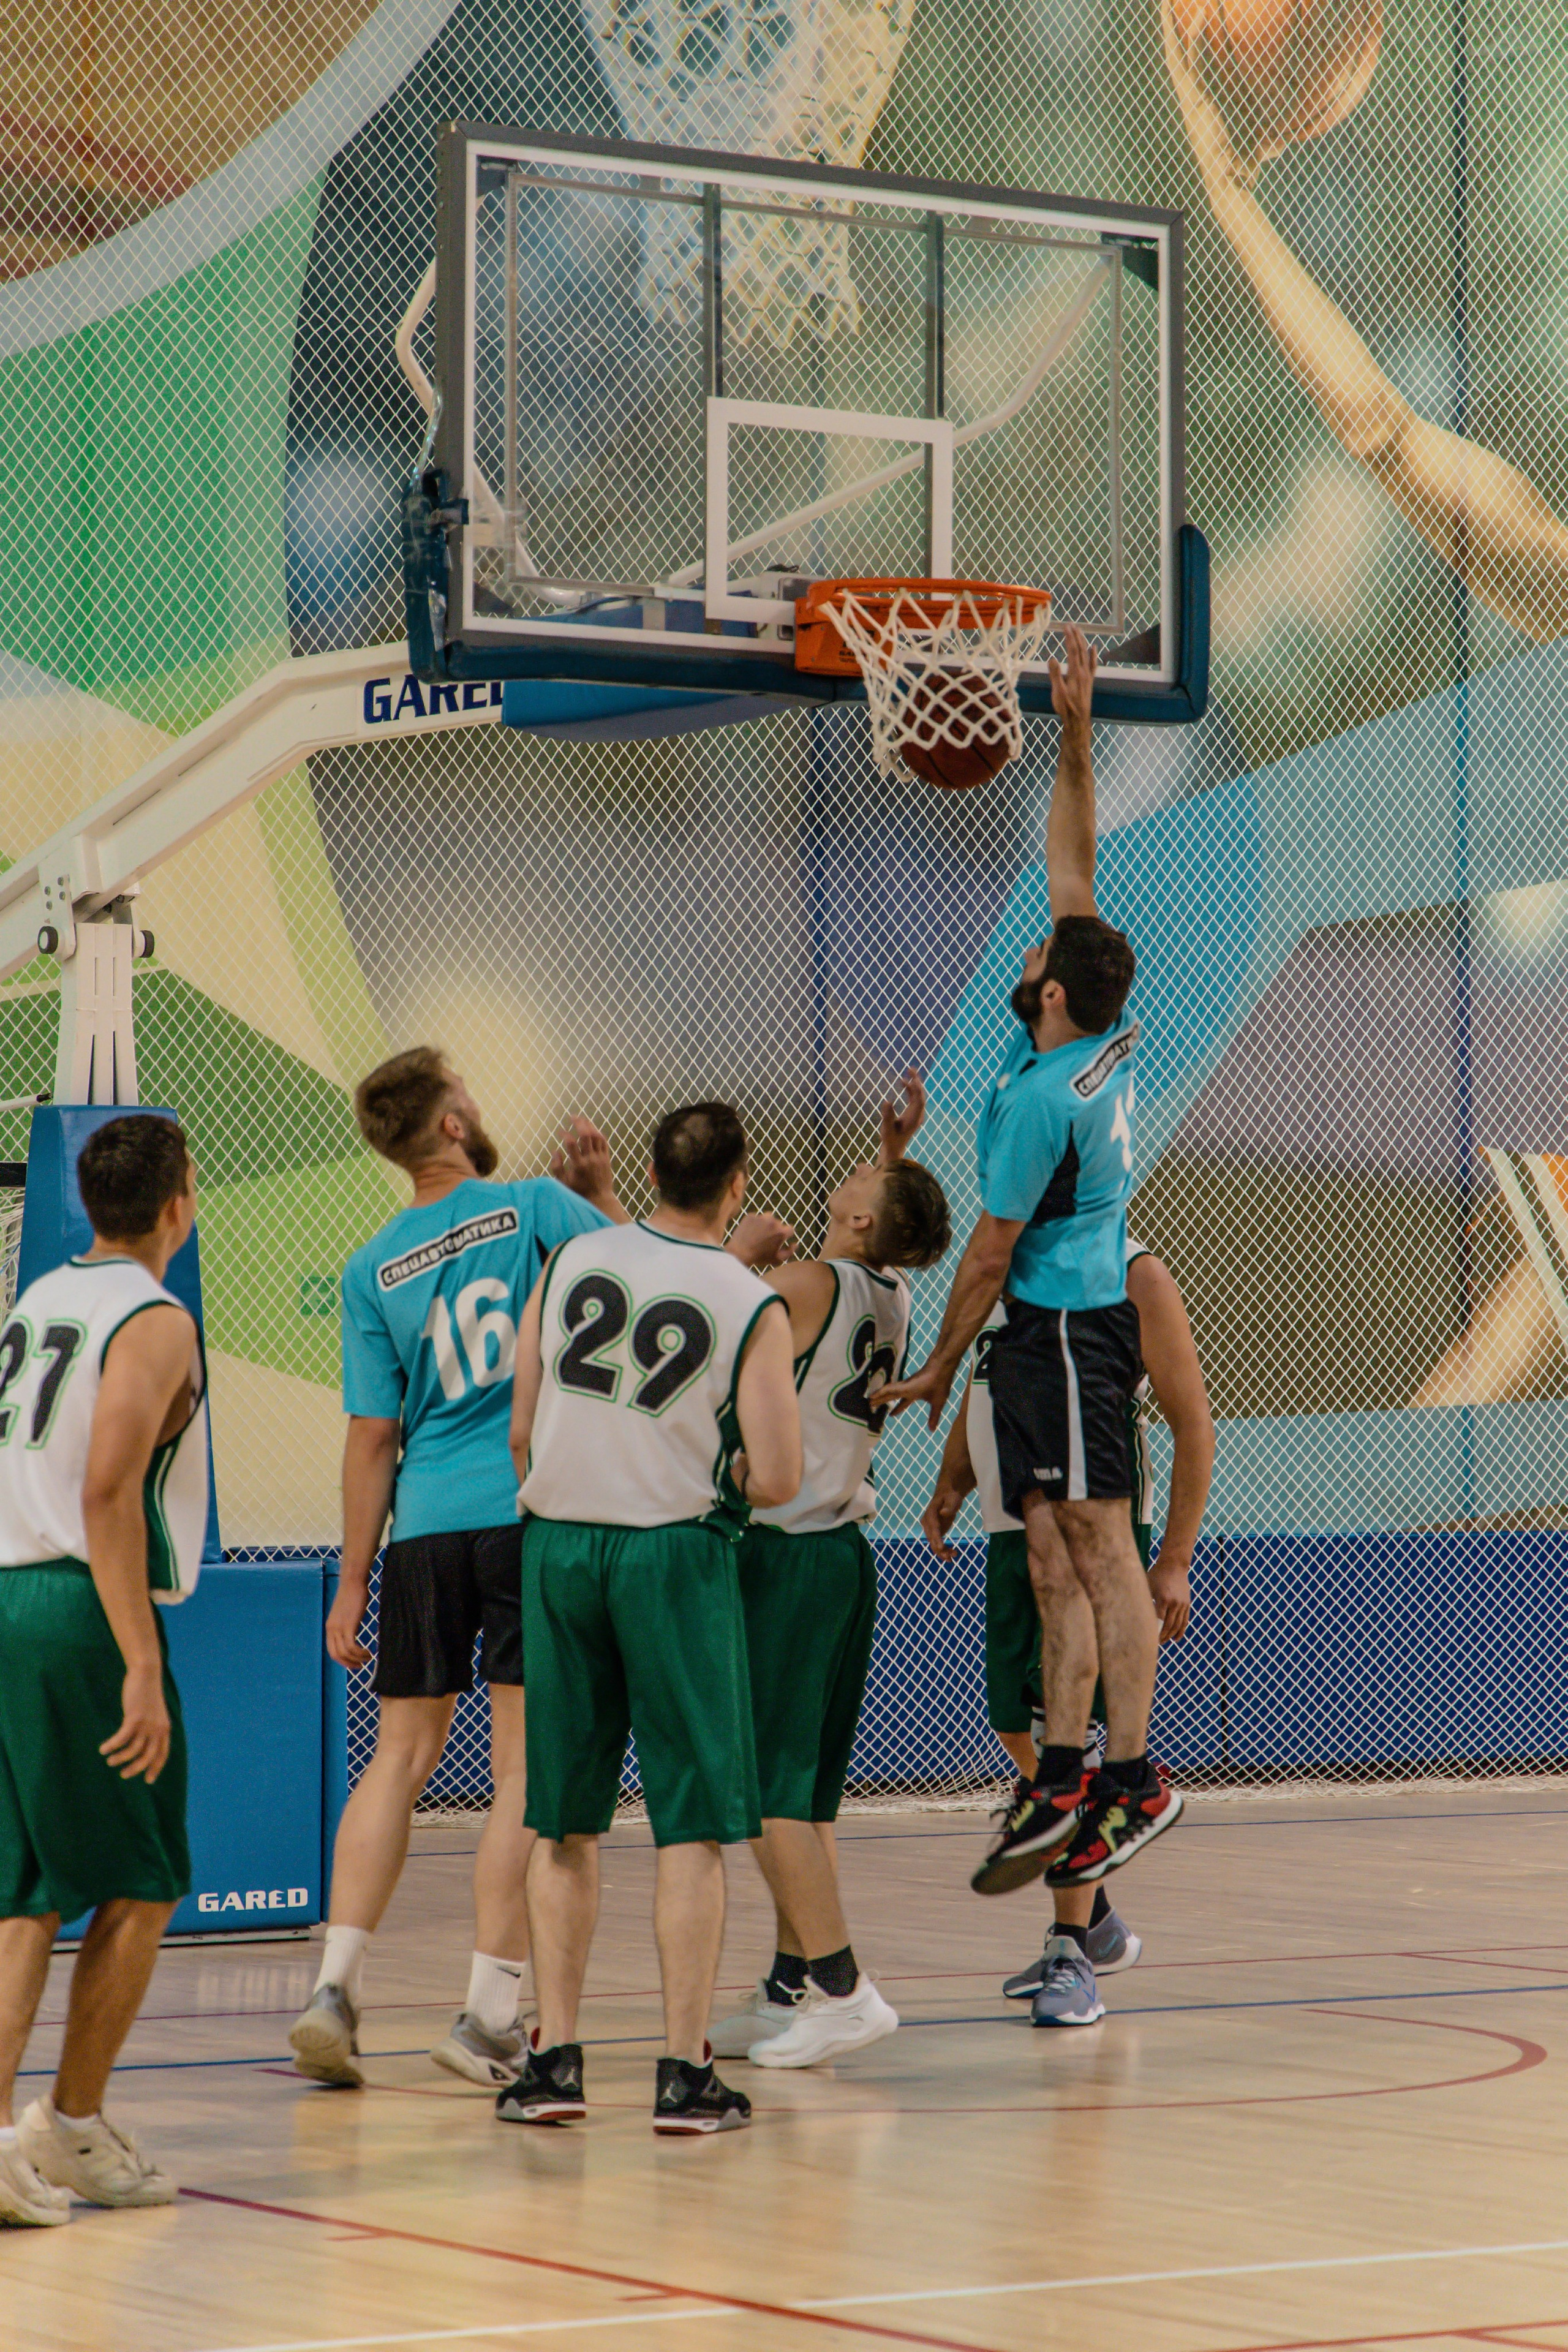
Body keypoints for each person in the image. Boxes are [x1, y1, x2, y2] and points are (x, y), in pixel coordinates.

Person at [884, 621, 1185, 1894]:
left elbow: (981, 1263)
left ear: (1052, 996)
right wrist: (1067, 730)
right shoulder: (1095, 1029)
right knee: (1054, 1547)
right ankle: (1059, 1770)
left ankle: (1130, 1780)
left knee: (1100, 1544)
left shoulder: (1038, 1104)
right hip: (1057, 1333)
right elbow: (1075, 869)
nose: (1028, 946)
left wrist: (928, 1379)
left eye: (1036, 957)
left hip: (1064, 1328)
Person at [288, 1047, 624, 2090]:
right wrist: (601, 1194)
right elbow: (653, 1269)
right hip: (527, 1512)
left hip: (423, 1525)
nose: (480, 1104)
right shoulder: (534, 1206)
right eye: (468, 1094)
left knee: (398, 1755)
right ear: (446, 1126)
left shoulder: (369, 1264)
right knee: (522, 1767)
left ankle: (335, 1989)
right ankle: (487, 2016)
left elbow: (371, 1437)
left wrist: (352, 1577)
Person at [499, 1101, 802, 2135]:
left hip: (557, 1545)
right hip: (671, 1554)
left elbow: (520, 1425)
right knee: (693, 1824)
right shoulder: (750, 1300)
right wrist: (709, 1468)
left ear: (652, 1170)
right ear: (737, 1184)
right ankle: (682, 2073)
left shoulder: (570, 1263)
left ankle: (553, 2063)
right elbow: (779, 1475)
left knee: (563, 1821)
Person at [709, 1074, 952, 2070]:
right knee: (802, 1802)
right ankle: (788, 1987)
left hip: (791, 1551)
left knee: (770, 1794)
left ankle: (845, 1988)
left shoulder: (805, 1283)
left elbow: (704, 1321)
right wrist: (895, 1162)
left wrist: (739, 1255)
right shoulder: (889, 1290)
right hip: (844, 1557)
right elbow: (883, 1228)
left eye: (856, 1177)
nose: (849, 1173)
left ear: (856, 1217)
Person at [0, 1114, 207, 2223]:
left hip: (8, 1594)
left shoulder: (40, 1302)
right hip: (81, 1609)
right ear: (181, 1199)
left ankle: (4, 2139)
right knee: (143, 1878)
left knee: (21, 1894)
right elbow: (108, 1488)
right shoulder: (154, 1315)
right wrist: (138, 1659)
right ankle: (72, 2125)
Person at [922, 1240, 1213, 2025]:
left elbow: (1193, 1424)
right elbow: (987, 1381)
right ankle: (1103, 1919)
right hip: (1012, 1524)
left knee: (1070, 1738)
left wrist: (1174, 1559)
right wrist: (953, 1478)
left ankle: (1070, 1947)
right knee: (1018, 1726)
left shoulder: (1135, 1272)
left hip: (1097, 1528)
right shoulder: (1009, 1260)